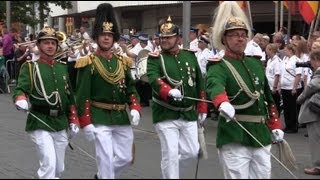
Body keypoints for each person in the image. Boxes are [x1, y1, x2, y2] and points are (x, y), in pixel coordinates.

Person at [206, 1, 284, 179]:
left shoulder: (254, 63)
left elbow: (266, 98)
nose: (240, 38)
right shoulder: (218, 65)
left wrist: (275, 124)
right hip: (235, 134)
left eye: (243, 34)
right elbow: (214, 84)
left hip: (261, 135)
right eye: (234, 35)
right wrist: (222, 102)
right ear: (224, 38)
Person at [74, 3, 141, 179]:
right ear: (97, 37)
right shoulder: (88, 62)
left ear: (114, 38)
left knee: (126, 158)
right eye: (103, 35)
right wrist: (85, 122)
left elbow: (130, 88)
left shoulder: (122, 62)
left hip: (120, 116)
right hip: (99, 116)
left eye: (109, 35)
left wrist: (134, 107)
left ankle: (100, 177)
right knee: (104, 159)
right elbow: (82, 95)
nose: (106, 38)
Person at [12, 26, 80, 179]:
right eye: (46, 43)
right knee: (49, 163)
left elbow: (69, 97)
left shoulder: (62, 68)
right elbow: (20, 89)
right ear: (39, 45)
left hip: (60, 122)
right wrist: (21, 99)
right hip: (40, 120)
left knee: (59, 167)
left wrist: (74, 119)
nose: (50, 46)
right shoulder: (30, 67)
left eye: (53, 43)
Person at [146, 16, 207, 179]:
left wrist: (202, 107)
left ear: (179, 38)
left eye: (168, 37)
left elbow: (199, 82)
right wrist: (168, 90)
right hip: (166, 113)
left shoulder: (190, 56)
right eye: (162, 37)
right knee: (171, 154)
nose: (164, 40)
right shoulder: (155, 58)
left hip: (188, 113)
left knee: (192, 152)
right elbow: (153, 78)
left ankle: (170, 172)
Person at [297, 49, 320, 175]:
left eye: (312, 60)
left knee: (316, 140)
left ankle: (318, 166)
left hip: (316, 110)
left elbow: (312, 86)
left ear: (316, 59)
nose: (310, 63)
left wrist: (300, 98)